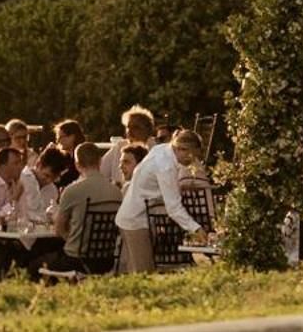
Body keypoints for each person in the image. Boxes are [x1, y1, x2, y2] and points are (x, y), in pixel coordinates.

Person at [116, 127, 211, 273]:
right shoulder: (166, 167)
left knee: (142, 272)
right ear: (182, 150)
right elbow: (174, 208)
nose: (194, 161)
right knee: (144, 274)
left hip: (138, 216)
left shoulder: (162, 149)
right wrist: (196, 228)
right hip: (135, 221)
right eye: (193, 156)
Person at [54, 140, 118, 249]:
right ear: (100, 161)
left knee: (35, 263)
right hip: (106, 255)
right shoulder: (116, 192)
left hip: (77, 256)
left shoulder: (72, 190)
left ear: (77, 164)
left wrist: (71, 241)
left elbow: (59, 229)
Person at [106, 105, 155, 187]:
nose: (130, 131)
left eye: (136, 127)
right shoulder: (119, 147)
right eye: (128, 127)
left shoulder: (156, 150)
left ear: (148, 130)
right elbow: (100, 171)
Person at [51, 120, 85, 185]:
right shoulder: (64, 158)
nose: (58, 141)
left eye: (61, 137)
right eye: (57, 138)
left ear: (72, 137)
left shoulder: (82, 158)